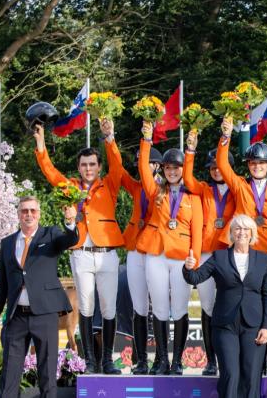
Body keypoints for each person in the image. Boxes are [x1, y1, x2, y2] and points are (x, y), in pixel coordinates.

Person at [33, 121, 124, 374]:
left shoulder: (110, 184)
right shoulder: (71, 186)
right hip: (81, 252)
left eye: (92, 164)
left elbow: (117, 165)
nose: (88, 168)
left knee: (108, 307)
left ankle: (107, 358)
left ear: (98, 166)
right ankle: (91, 359)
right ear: (78, 168)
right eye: (84, 165)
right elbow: (50, 172)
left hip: (107, 253)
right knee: (85, 306)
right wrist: (40, 144)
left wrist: (109, 137)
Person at [0, 197, 78, 397]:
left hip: (45, 315)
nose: (28, 214)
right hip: (15, 318)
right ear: (18, 214)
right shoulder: (7, 243)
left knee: (47, 375)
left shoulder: (51, 235)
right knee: (9, 376)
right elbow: (1, 284)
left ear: (39, 213)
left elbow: (70, 240)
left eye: (32, 211)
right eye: (24, 211)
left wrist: (71, 222)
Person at [136, 121, 203, 375]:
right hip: (156, 255)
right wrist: (146, 140)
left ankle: (178, 361)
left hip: (181, 259)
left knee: (180, 308)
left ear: (183, 169)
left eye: (177, 167)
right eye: (168, 167)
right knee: (160, 307)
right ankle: (163, 359)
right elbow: (144, 169)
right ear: (162, 169)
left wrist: (194, 259)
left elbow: (197, 231)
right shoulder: (157, 192)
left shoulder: (193, 197)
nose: (173, 171)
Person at [183, 215, 267, 398]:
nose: (241, 232)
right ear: (231, 233)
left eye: (246, 229)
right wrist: (188, 267)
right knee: (230, 374)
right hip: (225, 326)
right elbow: (195, 278)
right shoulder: (219, 256)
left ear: (252, 233)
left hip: (254, 326)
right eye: (237, 228)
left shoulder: (263, 260)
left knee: (251, 376)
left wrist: (266, 327)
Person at [102, 118, 161, 375]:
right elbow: (116, 167)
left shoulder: (167, 189)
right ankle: (141, 360)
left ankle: (162, 359)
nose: (143, 166)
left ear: (157, 166)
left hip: (159, 250)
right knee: (138, 306)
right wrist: (110, 139)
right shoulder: (136, 186)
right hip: (136, 249)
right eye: (140, 163)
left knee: (158, 305)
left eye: (147, 162)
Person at [183, 130, 240, 376]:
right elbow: (187, 178)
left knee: (229, 305)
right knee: (207, 307)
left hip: (229, 253)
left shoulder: (238, 190)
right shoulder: (204, 189)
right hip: (207, 253)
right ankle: (211, 360)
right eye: (212, 167)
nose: (216, 170)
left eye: (220, 166)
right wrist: (190, 152)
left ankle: (232, 358)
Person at [219, 117, 267, 253]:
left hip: (265, 246)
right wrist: (225, 136)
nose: (257, 167)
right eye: (253, 163)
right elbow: (222, 164)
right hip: (239, 243)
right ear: (248, 165)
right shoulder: (240, 184)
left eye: (262, 163)